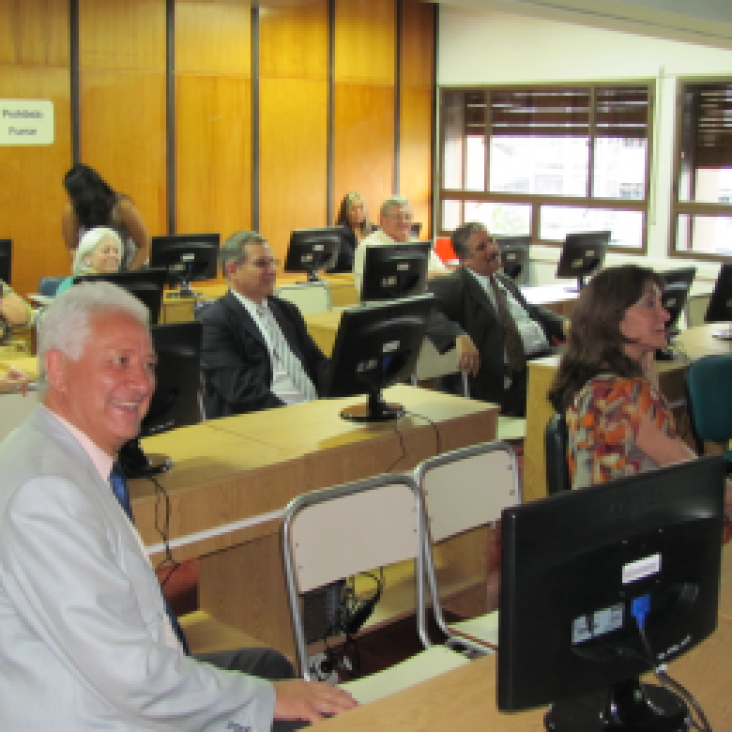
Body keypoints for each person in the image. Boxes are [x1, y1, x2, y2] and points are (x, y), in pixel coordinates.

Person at [0, 280, 356, 730]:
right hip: (103, 714)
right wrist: (262, 701)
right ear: (58, 368)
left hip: (121, 679)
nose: (142, 383)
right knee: (300, 707)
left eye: (148, 364)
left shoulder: (59, 454)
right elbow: (130, 680)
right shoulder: (45, 493)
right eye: (120, 362)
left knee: (267, 663)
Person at [548, 265, 732, 505]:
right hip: (639, 534)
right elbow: (697, 477)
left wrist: (647, 360)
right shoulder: (624, 395)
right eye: (649, 304)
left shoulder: (594, 384)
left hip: (607, 530)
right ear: (611, 317)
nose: (665, 315)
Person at [427, 222, 567, 417]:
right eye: (482, 247)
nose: (493, 249)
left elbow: (530, 311)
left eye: (491, 241)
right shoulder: (454, 285)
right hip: (506, 374)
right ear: (465, 259)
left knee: (592, 360)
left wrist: (563, 324)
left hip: (540, 357)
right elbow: (426, 311)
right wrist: (457, 335)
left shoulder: (503, 281)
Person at [199, 231, 330, 418]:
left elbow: (317, 363)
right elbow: (241, 391)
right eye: (261, 264)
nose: (271, 270)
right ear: (232, 270)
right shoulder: (214, 322)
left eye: (272, 262)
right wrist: (295, 416)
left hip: (312, 413)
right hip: (265, 422)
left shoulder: (286, 310)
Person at [62, 163, 151, 270]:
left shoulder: (122, 207)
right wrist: (88, 271)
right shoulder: (72, 209)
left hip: (130, 266)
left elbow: (144, 245)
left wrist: (128, 275)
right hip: (93, 270)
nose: (72, 198)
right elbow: (73, 248)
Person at [352, 195, 445, 293]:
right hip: (384, 306)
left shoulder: (416, 244)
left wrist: (416, 277)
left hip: (419, 303)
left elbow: (443, 273)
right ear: (382, 220)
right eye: (397, 217)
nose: (403, 221)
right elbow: (367, 288)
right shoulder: (368, 247)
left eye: (408, 217)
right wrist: (420, 277)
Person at [55, 226, 124, 296]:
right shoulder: (71, 284)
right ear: (87, 258)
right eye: (106, 251)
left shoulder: (122, 285)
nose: (113, 255)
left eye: (116, 251)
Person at [332, 192, 376, 272]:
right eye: (353, 209)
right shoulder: (340, 233)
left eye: (361, 208)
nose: (358, 212)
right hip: (346, 276)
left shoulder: (375, 230)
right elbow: (349, 261)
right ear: (346, 212)